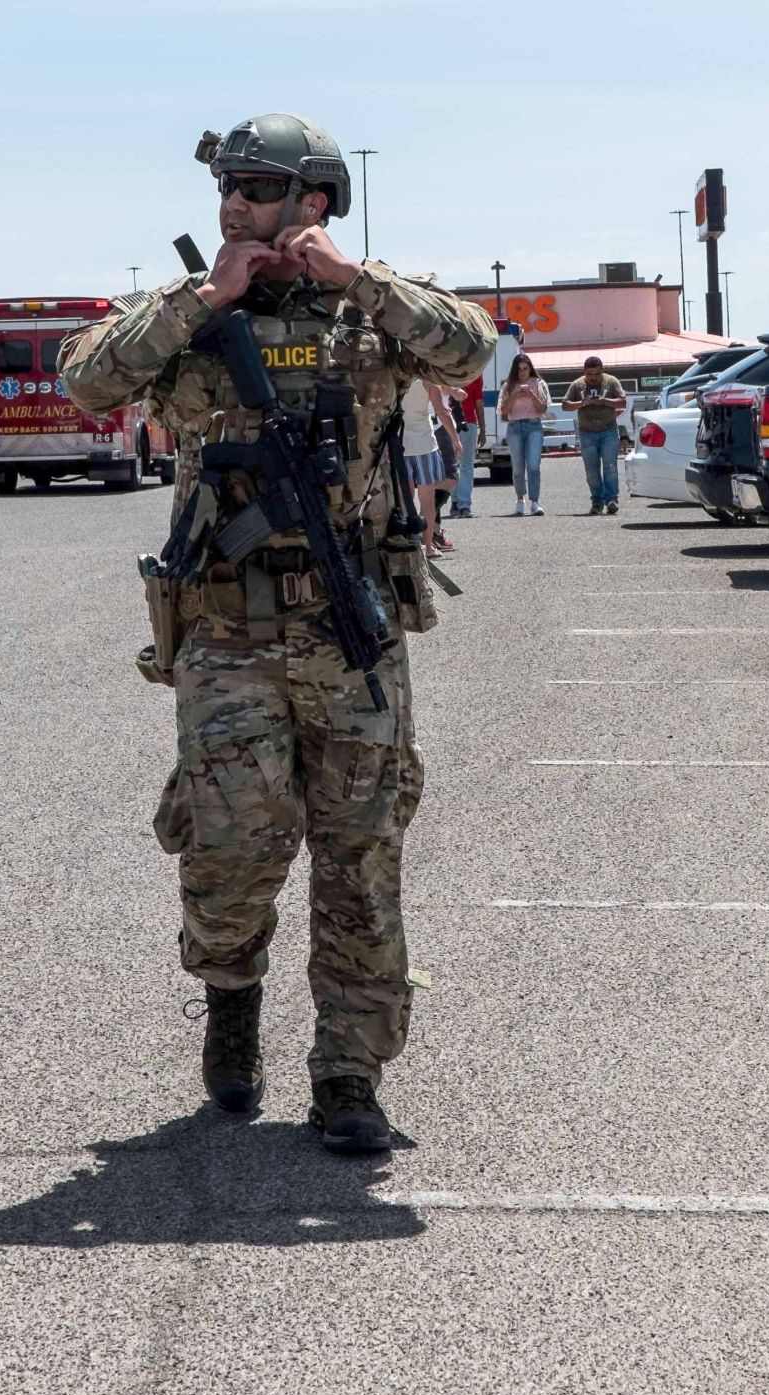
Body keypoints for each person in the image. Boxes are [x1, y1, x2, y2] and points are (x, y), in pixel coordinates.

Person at [62, 113, 491, 1154]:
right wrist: (202, 298)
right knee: (230, 847)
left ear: (314, 200)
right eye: (225, 191)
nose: (231, 207)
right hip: (226, 633)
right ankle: (232, 1002)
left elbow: (470, 345)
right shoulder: (193, 318)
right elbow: (88, 379)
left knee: (361, 855)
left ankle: (348, 1076)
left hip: (352, 633)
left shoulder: (368, 310)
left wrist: (354, 281)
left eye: (253, 189)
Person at [562, 355, 627, 515]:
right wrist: (582, 403)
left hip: (608, 430)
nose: (593, 378)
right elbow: (565, 405)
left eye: (597, 374)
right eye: (589, 374)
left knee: (610, 466)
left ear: (602, 371)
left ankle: (612, 499)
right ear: (584, 372)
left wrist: (604, 401)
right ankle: (597, 502)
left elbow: (622, 402)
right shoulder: (577, 385)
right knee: (591, 470)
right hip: (587, 432)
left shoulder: (611, 381)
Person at [399, 374, 453, 554]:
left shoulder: (396, 377)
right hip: (425, 445)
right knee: (427, 501)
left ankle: (407, 542)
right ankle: (428, 546)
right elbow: (442, 411)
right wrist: (455, 439)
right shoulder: (430, 380)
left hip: (400, 445)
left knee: (404, 500)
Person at [500, 353, 548, 516]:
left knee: (533, 465)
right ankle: (520, 500)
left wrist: (531, 395)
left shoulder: (538, 383)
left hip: (534, 425)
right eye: (519, 369)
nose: (522, 372)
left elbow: (543, 408)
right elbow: (504, 411)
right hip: (514, 426)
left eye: (526, 369)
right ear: (515, 370)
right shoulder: (508, 385)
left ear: (530, 369)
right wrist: (514, 395)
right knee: (518, 467)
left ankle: (535, 502)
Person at [448, 377, 481, 519]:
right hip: (464, 422)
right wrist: (483, 429)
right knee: (464, 465)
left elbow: (478, 402)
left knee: (455, 464)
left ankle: (457, 502)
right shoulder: (475, 373)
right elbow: (478, 403)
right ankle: (463, 505)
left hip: (453, 422)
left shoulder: (446, 371)